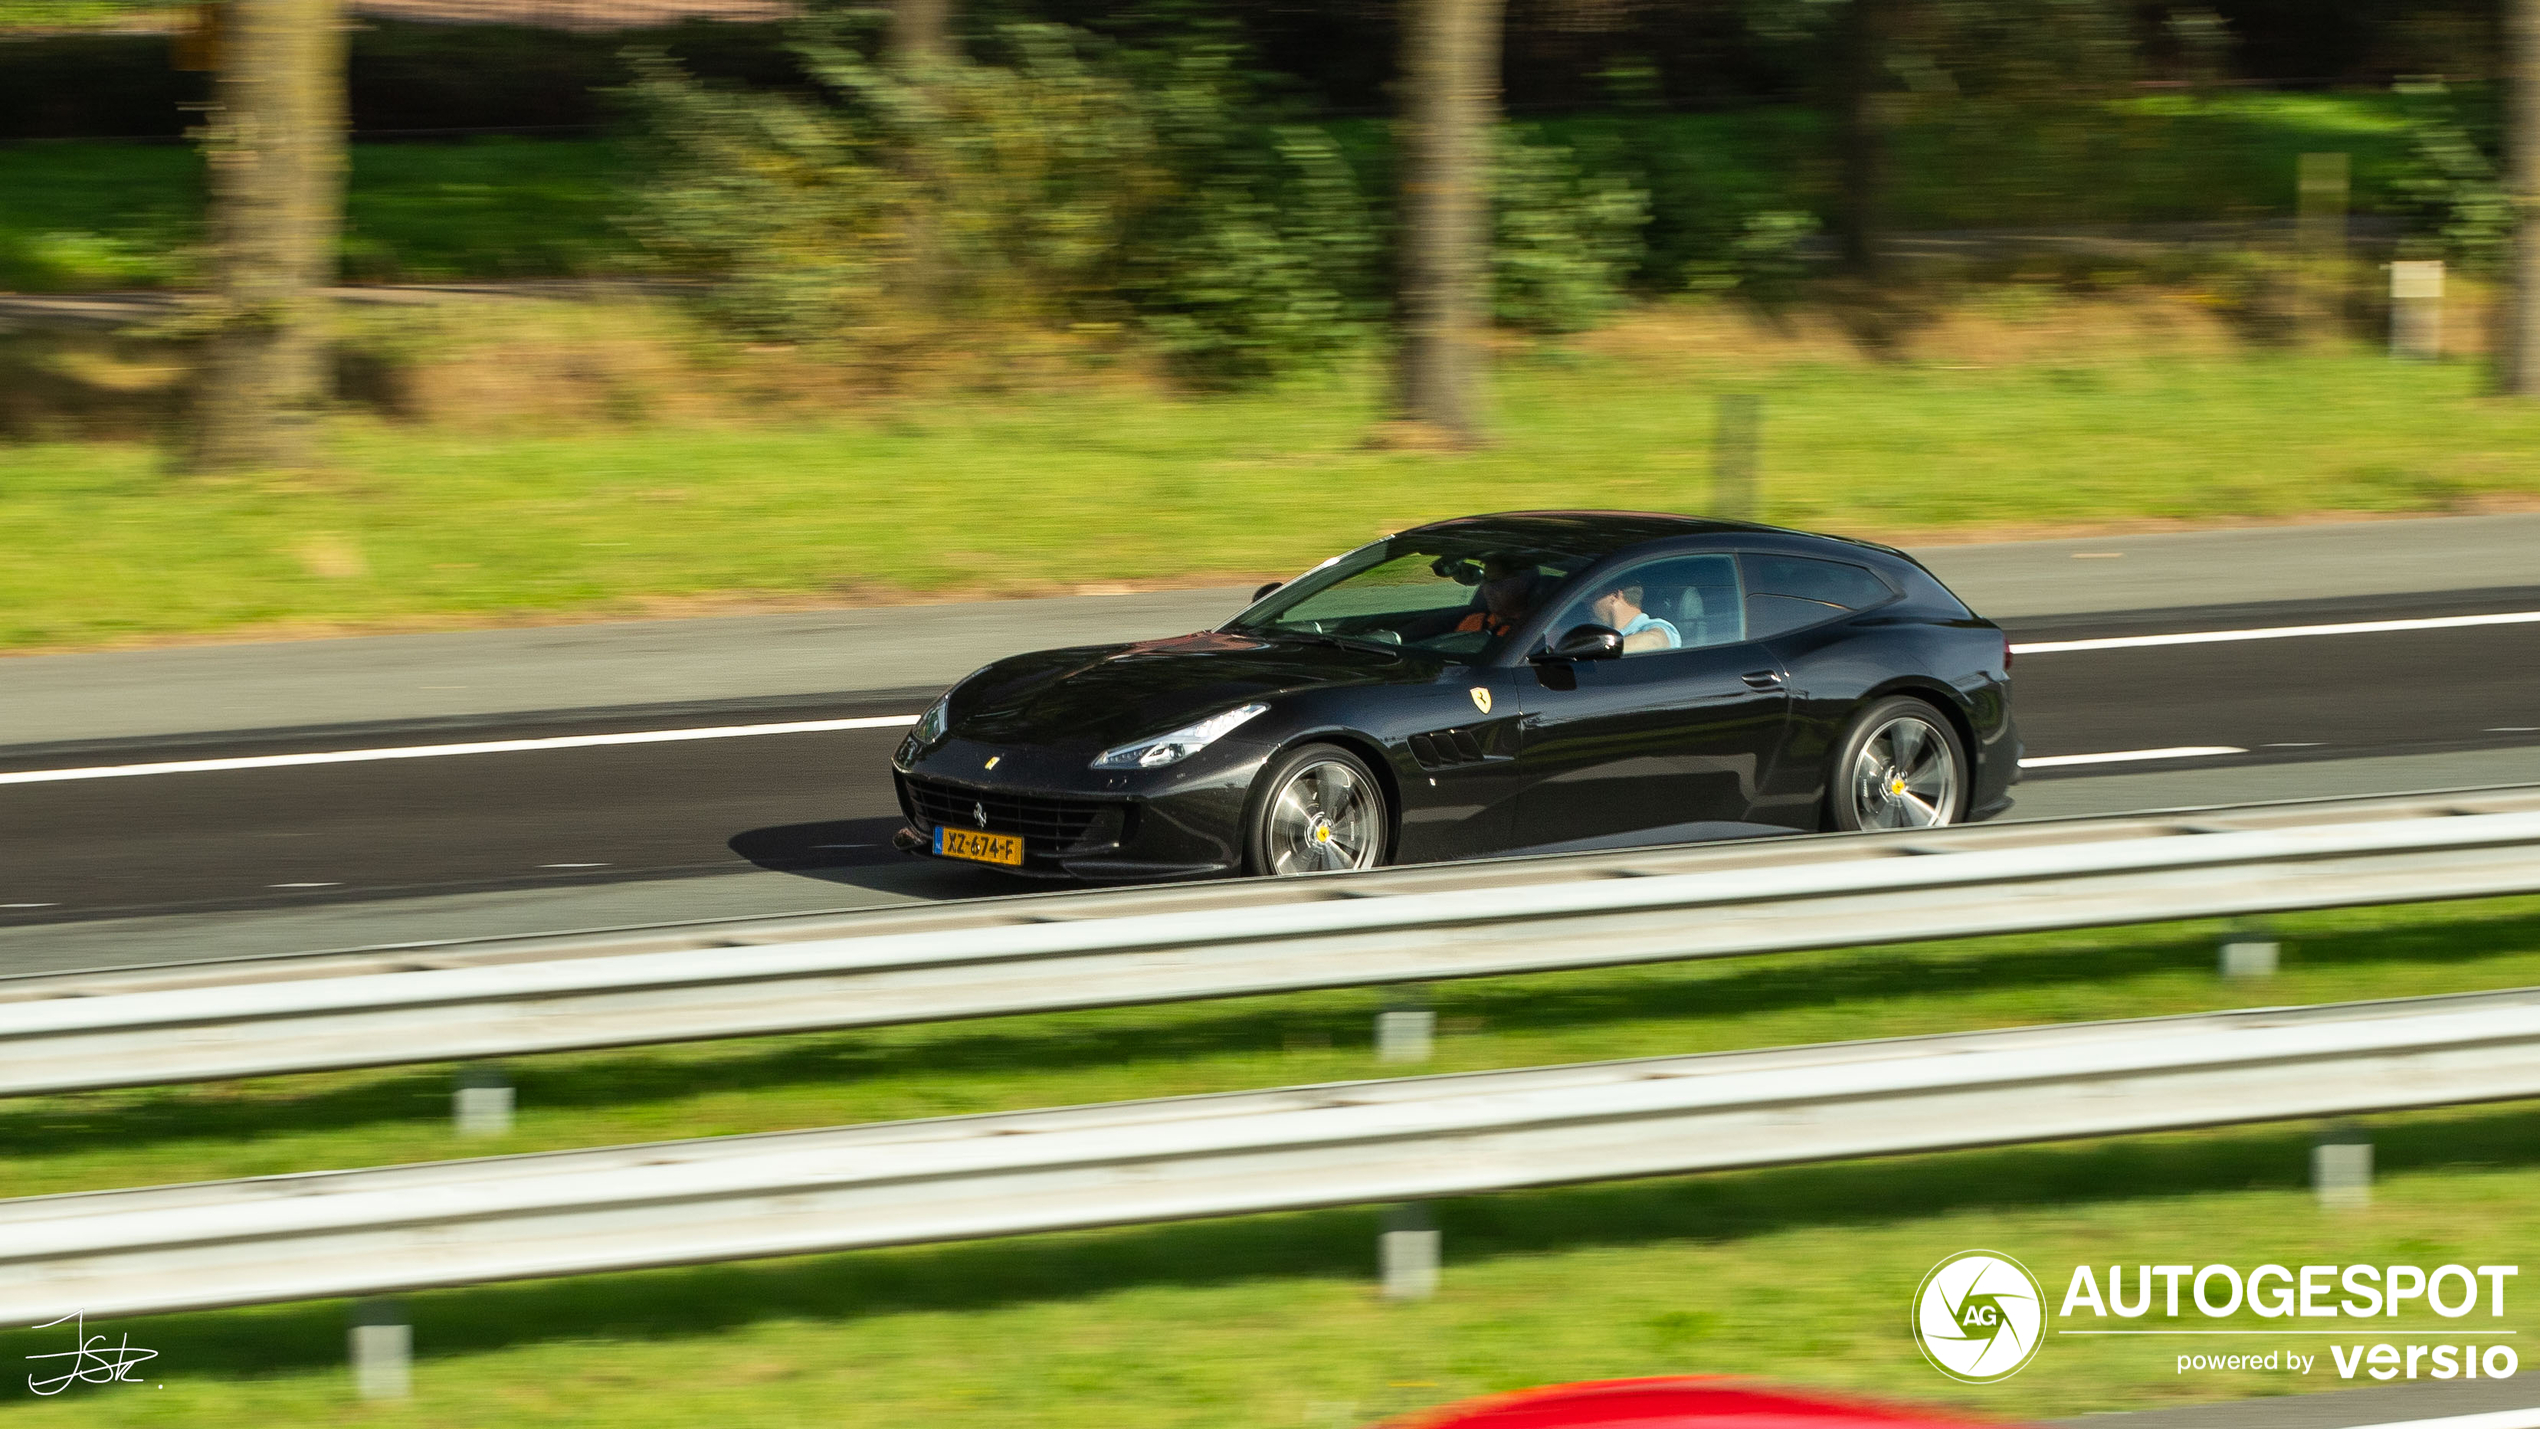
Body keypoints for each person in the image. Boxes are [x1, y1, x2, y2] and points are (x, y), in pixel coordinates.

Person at [1453, 556, 1544, 638]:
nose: (1488, 589)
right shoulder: (1473, 622)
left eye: (1498, 583)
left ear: (1524, 585)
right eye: (1485, 581)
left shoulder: (1538, 629)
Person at [1587, 580, 1680, 654]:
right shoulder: (1608, 634)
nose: (1587, 602)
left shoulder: (1658, 627)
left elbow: (1655, 641)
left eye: (1592, 595)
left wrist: (1593, 650)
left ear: (1614, 596)